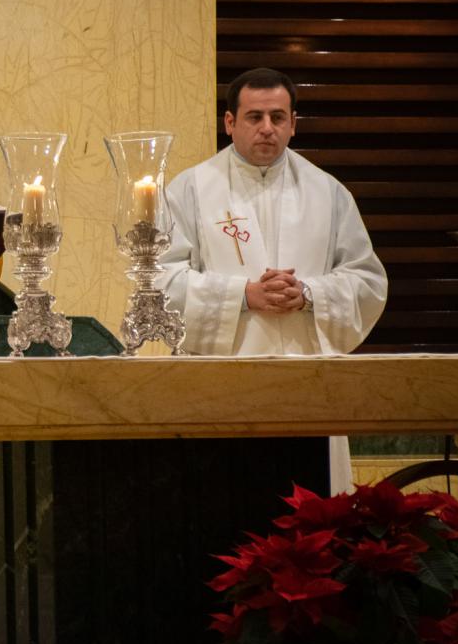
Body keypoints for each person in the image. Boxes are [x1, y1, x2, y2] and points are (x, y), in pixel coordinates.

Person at [160, 67, 388, 492]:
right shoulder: (189, 189)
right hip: (222, 388)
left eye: (278, 117)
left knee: (313, 518)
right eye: (254, 117)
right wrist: (243, 295)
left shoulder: (328, 191)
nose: (267, 129)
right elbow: (160, 283)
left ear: (293, 124)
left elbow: (367, 280)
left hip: (310, 387)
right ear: (229, 123)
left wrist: (309, 294)